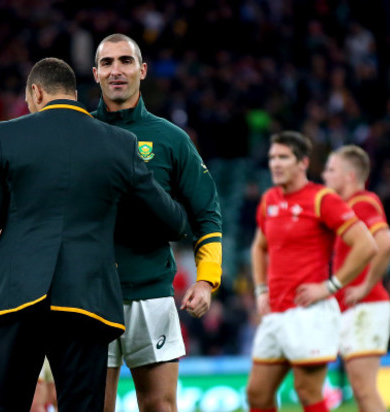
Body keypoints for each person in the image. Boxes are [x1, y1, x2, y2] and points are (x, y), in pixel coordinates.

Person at [0, 57, 189, 412]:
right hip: (87, 299)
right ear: (76, 93)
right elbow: (174, 222)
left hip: (15, 298)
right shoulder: (119, 143)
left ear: (36, 93)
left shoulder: (7, 135)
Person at [92, 33, 223, 412]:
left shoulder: (171, 139)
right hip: (88, 294)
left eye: (126, 61)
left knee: (160, 406)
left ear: (142, 70)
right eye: (107, 63)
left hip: (151, 293)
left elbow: (206, 211)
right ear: (96, 73)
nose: (117, 70)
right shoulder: (79, 133)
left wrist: (205, 278)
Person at [247, 132, 377, 412]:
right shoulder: (269, 199)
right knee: (257, 394)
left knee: (307, 392)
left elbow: (366, 244)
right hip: (275, 312)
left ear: (303, 162)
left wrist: (330, 286)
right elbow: (259, 247)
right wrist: (260, 290)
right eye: (272, 158)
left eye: (283, 157)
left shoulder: (322, 199)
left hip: (309, 312)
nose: (275, 164)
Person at [322, 145, 390, 412]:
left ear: (350, 175)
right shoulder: (349, 207)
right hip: (357, 308)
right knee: (362, 392)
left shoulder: (362, 203)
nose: (324, 175)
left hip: (366, 306)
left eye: (331, 169)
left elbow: (386, 242)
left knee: (365, 390)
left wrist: (365, 286)